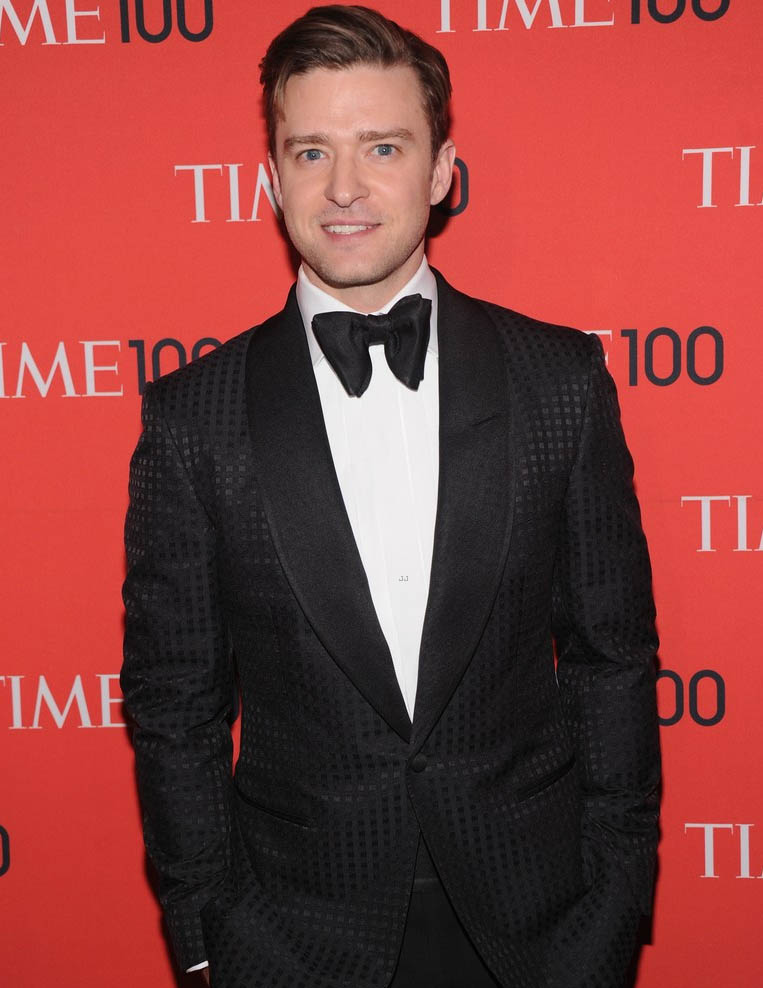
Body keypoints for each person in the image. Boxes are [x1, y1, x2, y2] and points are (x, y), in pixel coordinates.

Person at [120, 6, 660, 987]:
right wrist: (204, 936)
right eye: (310, 152)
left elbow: (610, 657)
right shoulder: (193, 416)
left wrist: (617, 901)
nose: (344, 188)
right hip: (292, 937)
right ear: (270, 177)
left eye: (381, 147)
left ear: (441, 169)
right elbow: (174, 704)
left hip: (540, 929)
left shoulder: (558, 382)